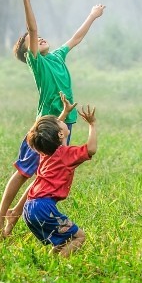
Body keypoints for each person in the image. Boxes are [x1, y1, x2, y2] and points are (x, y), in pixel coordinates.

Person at [0, 0, 105, 239]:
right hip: (45, 126)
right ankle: (0, 217)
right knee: (23, 172)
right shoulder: (38, 63)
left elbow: (75, 38)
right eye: (33, 40)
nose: (39, 38)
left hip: (65, 124)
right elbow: (32, 29)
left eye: (40, 37)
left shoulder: (56, 56)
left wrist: (92, 16)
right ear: (27, 52)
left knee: (45, 174)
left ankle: (12, 222)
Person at [22, 103, 98, 256]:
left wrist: (64, 112)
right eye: (60, 122)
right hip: (43, 208)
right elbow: (91, 149)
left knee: (64, 240)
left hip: (29, 208)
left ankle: (50, 263)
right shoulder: (66, 154)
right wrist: (92, 124)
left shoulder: (45, 153)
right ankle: (59, 267)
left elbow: (47, 133)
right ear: (60, 134)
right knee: (79, 237)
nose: (62, 120)